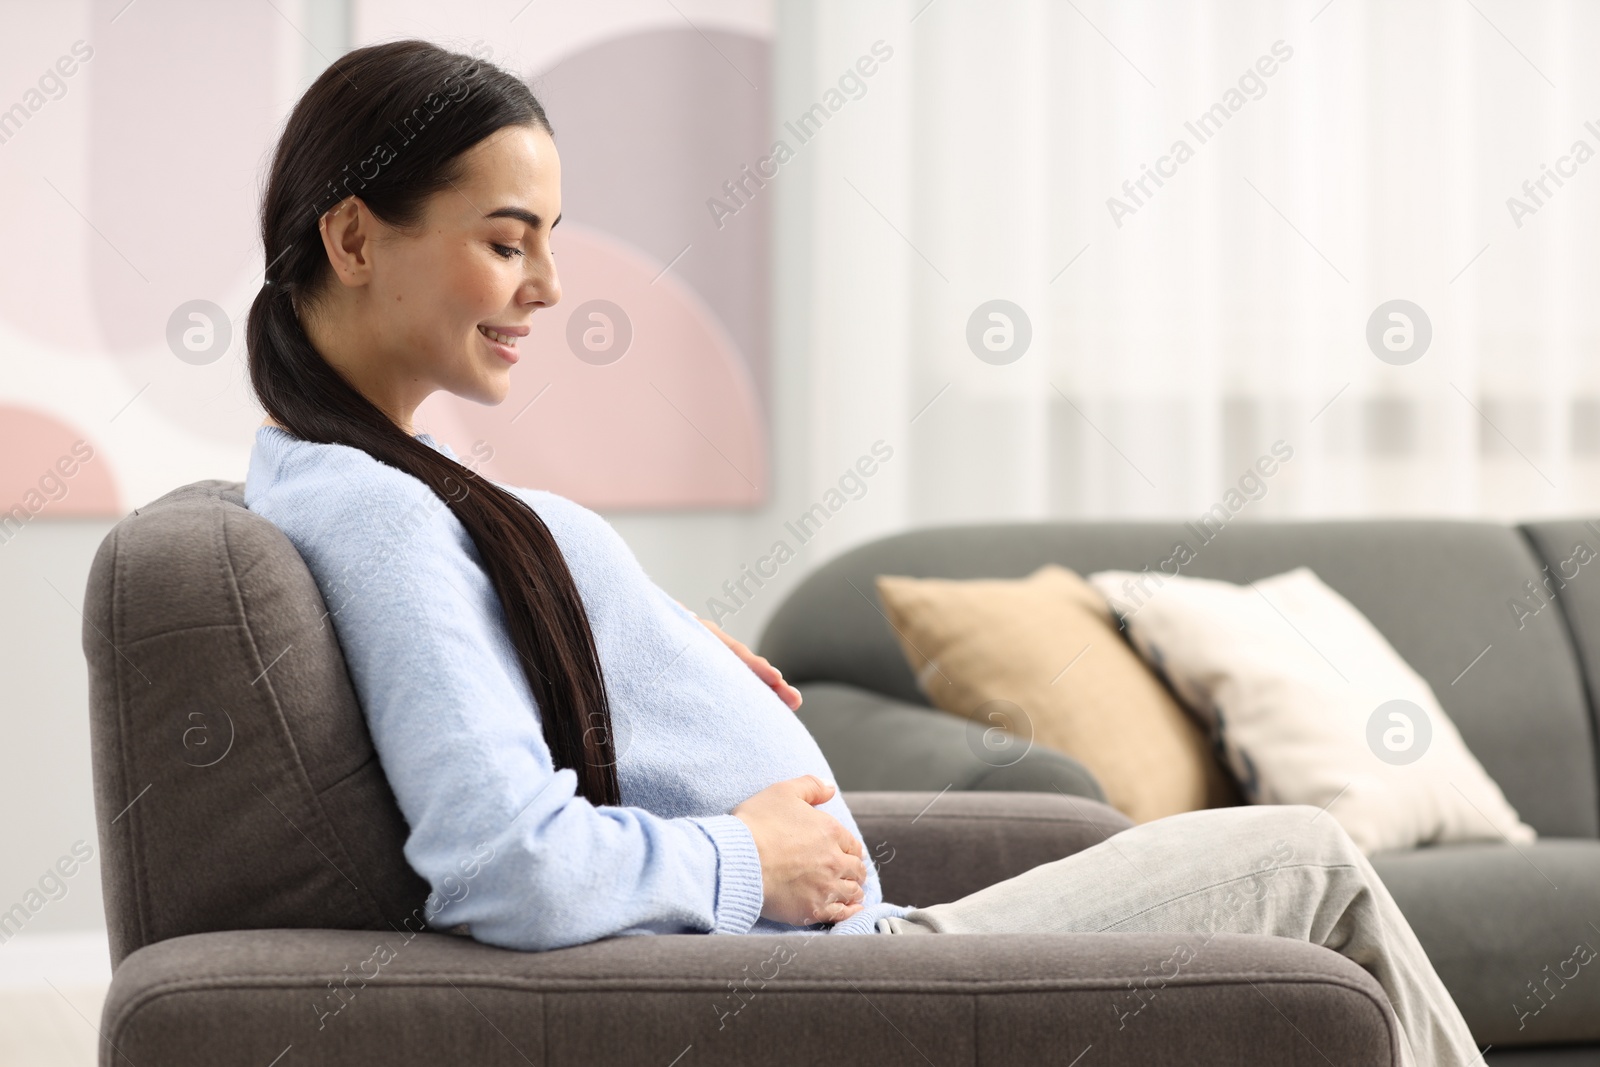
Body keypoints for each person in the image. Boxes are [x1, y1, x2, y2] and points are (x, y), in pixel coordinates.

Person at [242, 40, 1482, 1067]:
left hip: (848, 945)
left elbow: (510, 719)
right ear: (354, 240)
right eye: (508, 241)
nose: (552, 284)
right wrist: (753, 858)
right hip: (850, 969)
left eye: (551, 239)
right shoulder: (383, 515)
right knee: (1310, 856)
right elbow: (500, 865)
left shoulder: (372, 481)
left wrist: (646, 642)